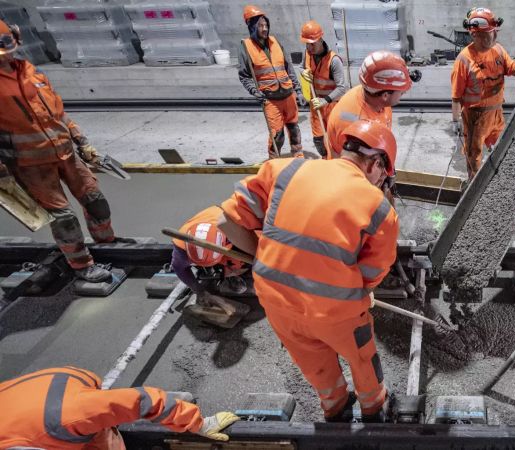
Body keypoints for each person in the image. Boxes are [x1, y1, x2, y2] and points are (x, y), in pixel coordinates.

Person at [217, 120, 399, 422]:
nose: (381, 182)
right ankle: (374, 409)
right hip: (335, 312)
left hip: (276, 302)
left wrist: (262, 257)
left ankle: (335, 409)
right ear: (375, 163)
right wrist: (362, 296)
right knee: (362, 358)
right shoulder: (378, 209)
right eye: (384, 174)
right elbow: (371, 275)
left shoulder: (286, 170)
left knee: (314, 361)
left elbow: (227, 220)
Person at [0, 19, 132, 283]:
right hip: (31, 165)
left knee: (95, 200)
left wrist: (82, 141)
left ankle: (106, 243)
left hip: (66, 154)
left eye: (7, 47)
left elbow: (57, 114)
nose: (6, 56)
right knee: (64, 218)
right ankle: (82, 265)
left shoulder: (30, 72)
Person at [0, 366, 239, 449]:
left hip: (65, 390)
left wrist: (199, 424)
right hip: (28, 392)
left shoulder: (68, 419)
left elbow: (144, 401)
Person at [451, 7, 515, 180]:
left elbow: (514, 68)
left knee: (501, 148)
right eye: (490, 33)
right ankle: (473, 187)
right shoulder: (464, 60)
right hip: (475, 119)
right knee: (473, 156)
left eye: (494, 32)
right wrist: (456, 121)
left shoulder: (498, 50)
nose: (495, 36)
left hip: (496, 113)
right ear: (475, 34)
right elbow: (456, 97)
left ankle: (499, 180)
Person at [237, 5, 304, 159]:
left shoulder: (275, 42)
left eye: (266, 25)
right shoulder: (245, 47)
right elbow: (245, 75)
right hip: (271, 99)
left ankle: (298, 157)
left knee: (294, 128)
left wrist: (298, 90)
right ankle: (274, 162)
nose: (265, 29)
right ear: (251, 26)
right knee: (277, 134)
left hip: (288, 95)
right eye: (260, 26)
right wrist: (254, 91)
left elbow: (289, 68)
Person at [171, 206, 251, 328]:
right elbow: (179, 268)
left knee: (241, 262)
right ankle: (217, 270)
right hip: (205, 232)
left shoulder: (234, 231)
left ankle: (231, 275)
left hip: (220, 220)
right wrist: (198, 289)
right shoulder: (181, 248)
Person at [326, 50, 411, 158]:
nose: (404, 92)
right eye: (401, 91)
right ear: (385, 95)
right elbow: (357, 167)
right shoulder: (356, 127)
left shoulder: (374, 95)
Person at [298, 20, 348, 158]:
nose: (309, 47)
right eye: (306, 43)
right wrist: (302, 72)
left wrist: (325, 100)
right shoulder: (307, 53)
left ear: (320, 39)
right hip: (316, 105)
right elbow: (302, 67)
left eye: (312, 44)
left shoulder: (334, 60)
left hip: (332, 106)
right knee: (319, 140)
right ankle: (326, 160)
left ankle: (337, 164)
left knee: (335, 140)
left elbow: (341, 88)